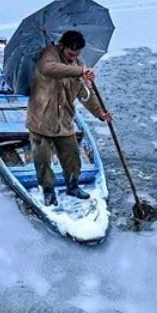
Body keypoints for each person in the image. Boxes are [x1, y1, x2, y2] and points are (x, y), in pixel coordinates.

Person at [26, 30, 112, 206]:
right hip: (41, 119)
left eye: (77, 54)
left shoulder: (79, 63)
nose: (74, 57)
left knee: (72, 157)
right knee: (42, 159)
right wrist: (79, 71)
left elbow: (85, 93)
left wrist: (100, 113)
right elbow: (47, 68)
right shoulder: (49, 54)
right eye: (71, 54)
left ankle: (72, 186)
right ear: (62, 46)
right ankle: (48, 190)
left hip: (64, 121)